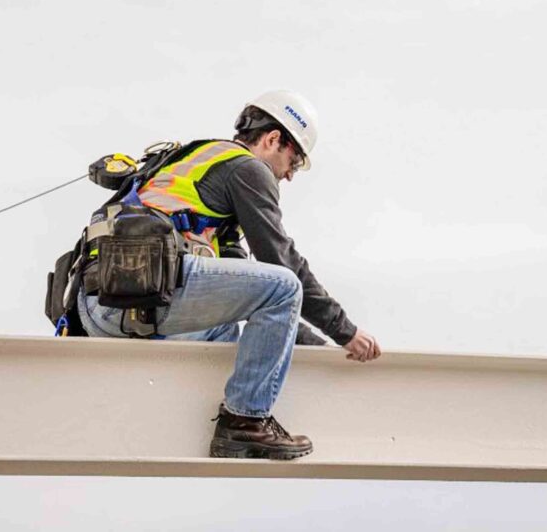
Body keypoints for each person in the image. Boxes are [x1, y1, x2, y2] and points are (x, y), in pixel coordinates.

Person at [76, 90, 381, 460]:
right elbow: (282, 263)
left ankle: (215, 415)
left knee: (232, 328)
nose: (289, 175)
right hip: (139, 296)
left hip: (102, 308)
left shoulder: (203, 162)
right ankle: (245, 422)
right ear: (273, 139)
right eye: (295, 161)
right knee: (284, 285)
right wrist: (346, 332)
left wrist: (319, 349)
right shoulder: (249, 169)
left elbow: (254, 299)